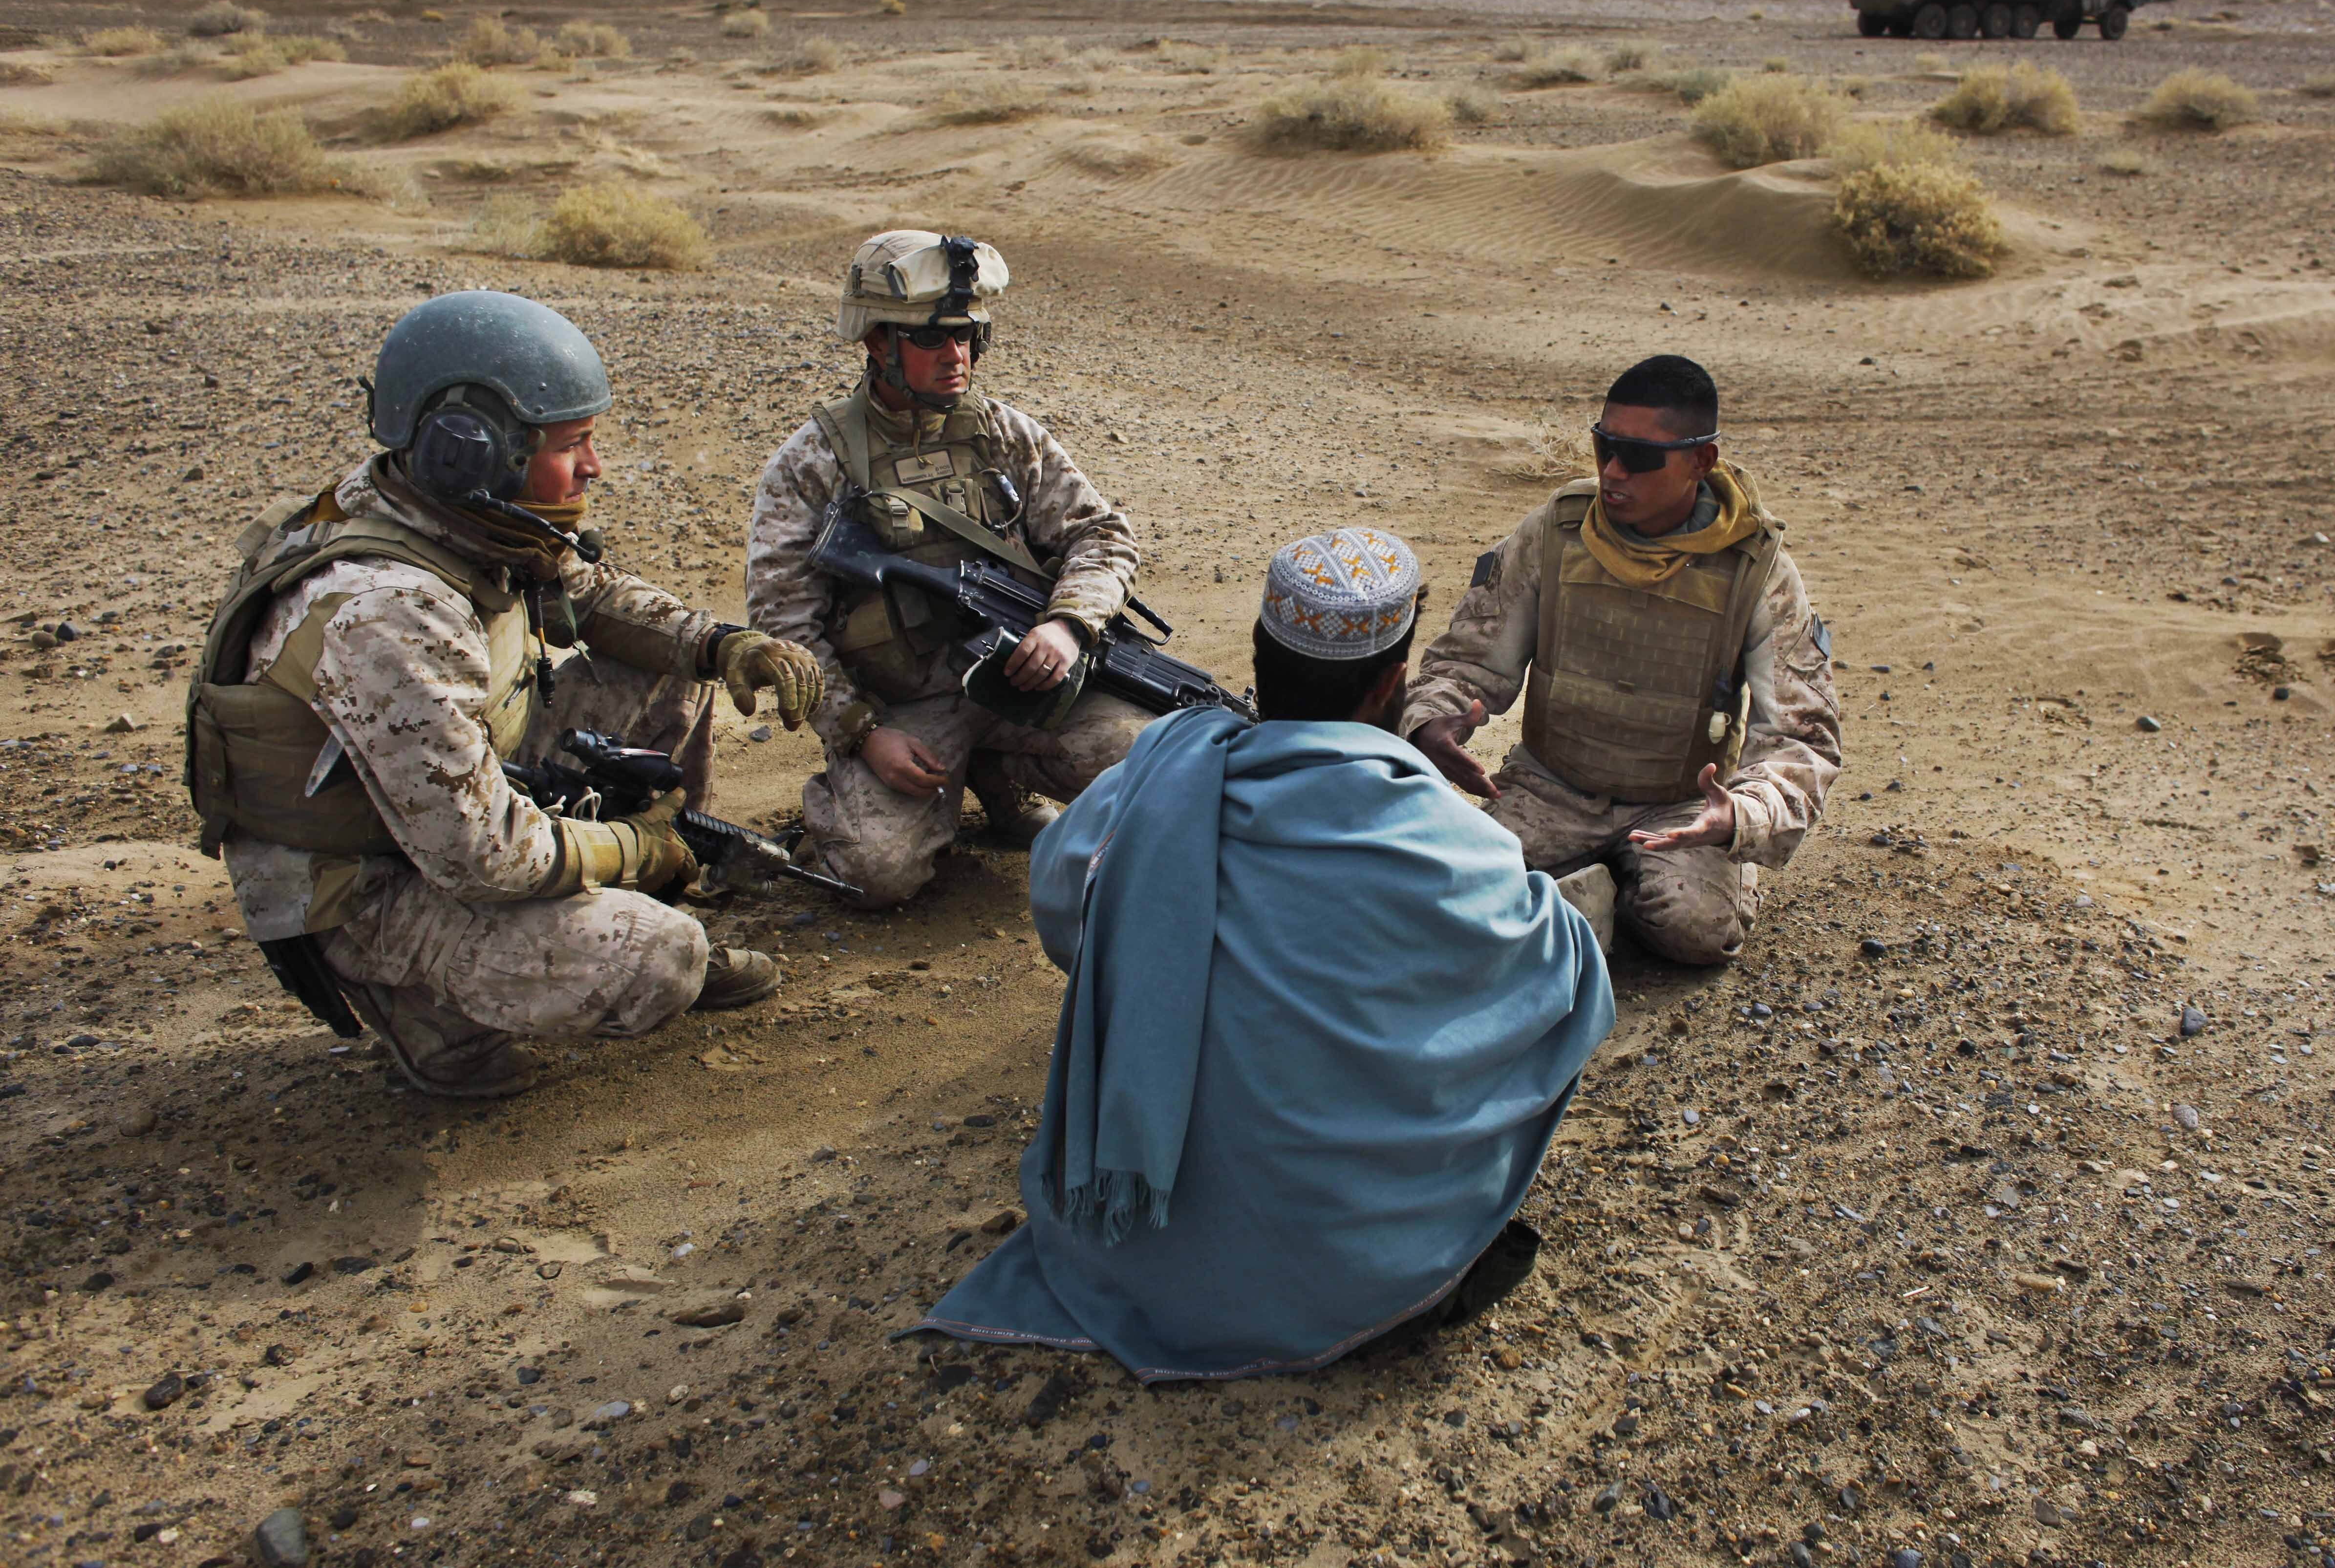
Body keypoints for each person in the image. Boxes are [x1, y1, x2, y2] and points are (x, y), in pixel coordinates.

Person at [914, 529, 1614, 1381]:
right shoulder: (1453, 843)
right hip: (1351, 1272)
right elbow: (1554, 984)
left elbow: (1066, 913)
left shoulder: (1150, 781)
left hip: (1131, 1239)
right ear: (1392, 682)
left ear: (1259, 650)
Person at [188, 291, 823, 1097]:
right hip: (361, 876)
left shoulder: (451, 508)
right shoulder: (387, 612)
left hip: (445, 789)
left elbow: (590, 596)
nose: (594, 466)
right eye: (574, 444)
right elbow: (483, 855)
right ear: (476, 451)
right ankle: (429, 1014)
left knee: (669, 667)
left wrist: (722, 644)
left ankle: (622, 885)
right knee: (662, 959)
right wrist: (637, 842)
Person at [746, 230, 1145, 907]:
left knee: (1154, 765)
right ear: (877, 343)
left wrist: (1068, 626)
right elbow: (782, 621)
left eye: (966, 335)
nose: (956, 356)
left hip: (1022, 680)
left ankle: (996, 771)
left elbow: (1102, 535)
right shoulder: (815, 461)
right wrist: (862, 735)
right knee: (877, 874)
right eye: (932, 340)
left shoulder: (1006, 435)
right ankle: (861, 798)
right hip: (905, 708)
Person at [1401, 355, 1840, 966]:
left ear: (1702, 460)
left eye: (1638, 456)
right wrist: (1432, 719)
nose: (1612, 471)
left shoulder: (1759, 573)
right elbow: (1467, 661)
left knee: (1695, 932)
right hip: (1552, 787)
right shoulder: (1555, 532)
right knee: (1449, 902)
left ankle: (1611, 892)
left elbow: (1801, 740)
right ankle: (1584, 892)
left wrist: (1741, 814)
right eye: (1604, 446)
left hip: (1681, 803)